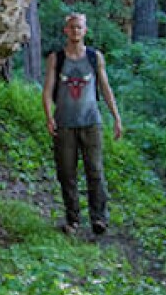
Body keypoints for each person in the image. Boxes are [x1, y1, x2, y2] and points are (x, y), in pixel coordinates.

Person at [42, 12, 124, 237]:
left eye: (79, 27)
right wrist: (49, 116)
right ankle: (73, 218)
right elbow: (48, 90)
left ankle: (99, 218)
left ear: (85, 30)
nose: (75, 31)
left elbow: (105, 88)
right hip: (64, 123)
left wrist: (116, 117)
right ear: (65, 31)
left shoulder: (94, 57)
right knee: (66, 172)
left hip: (91, 122)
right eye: (72, 28)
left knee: (95, 170)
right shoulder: (56, 59)